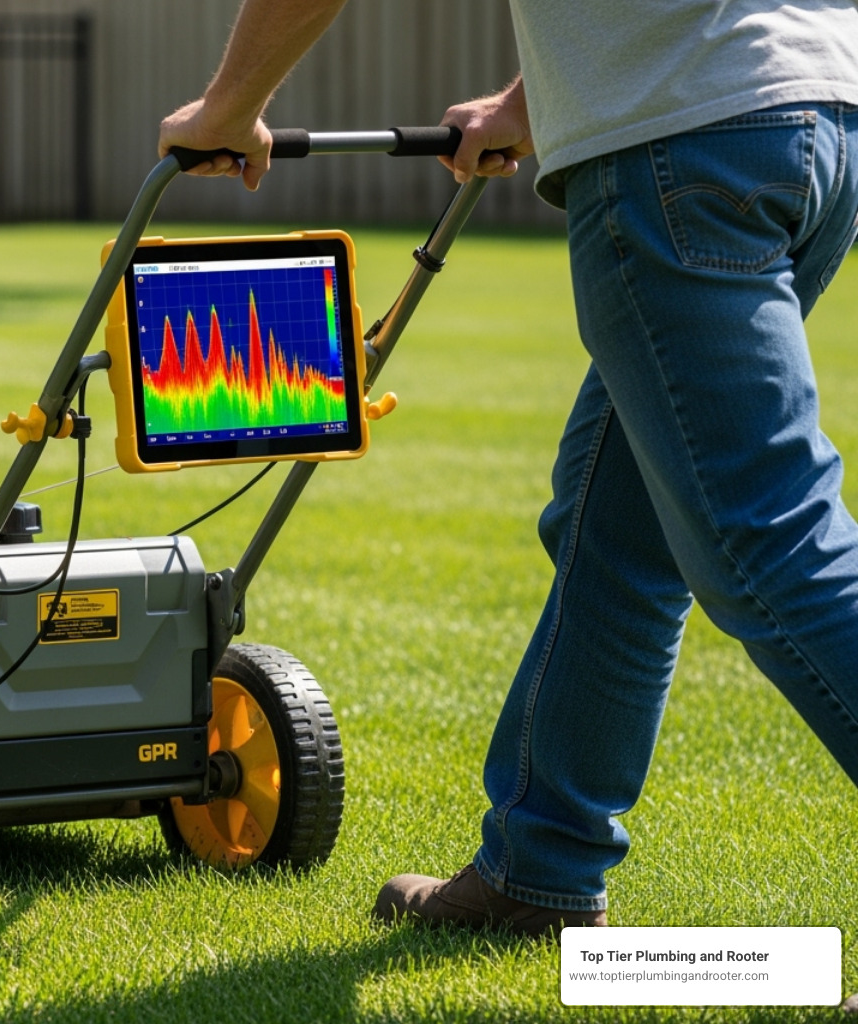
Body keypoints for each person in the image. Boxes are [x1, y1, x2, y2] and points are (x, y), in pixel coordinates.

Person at [159, 0, 858, 980]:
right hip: (817, 115)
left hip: (685, 136)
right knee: (619, 525)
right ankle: (542, 874)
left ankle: (545, 866)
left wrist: (229, 107)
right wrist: (530, 102)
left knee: (766, 539)